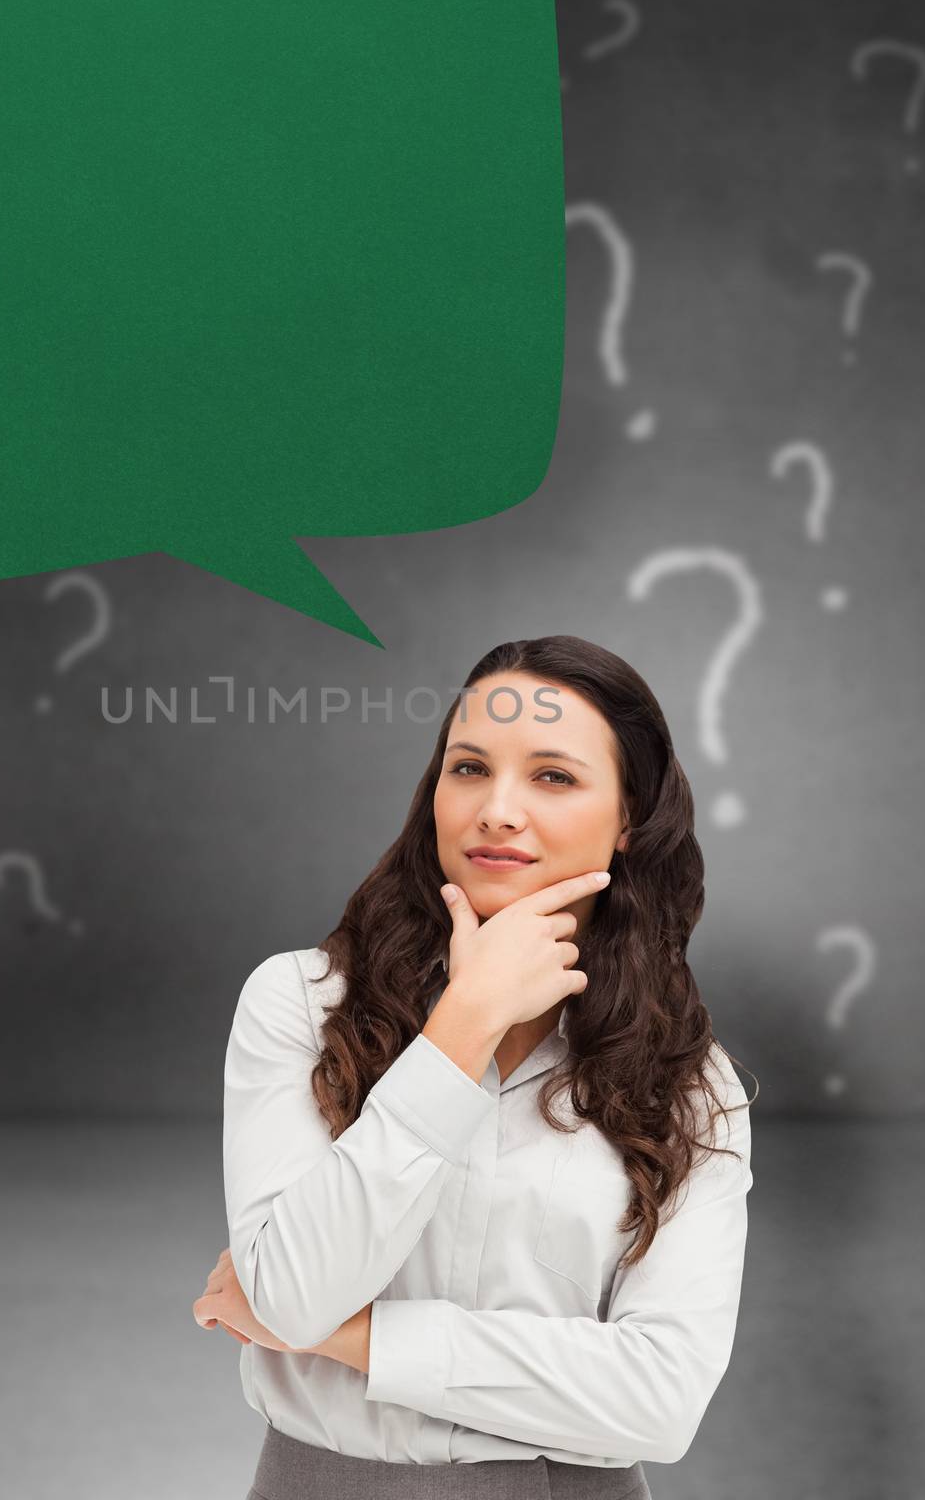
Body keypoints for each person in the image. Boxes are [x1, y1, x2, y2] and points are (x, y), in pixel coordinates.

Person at [193, 635, 758, 1499]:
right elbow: (294, 1294)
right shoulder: (300, 1007)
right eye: (468, 769)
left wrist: (351, 1338)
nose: (496, 809)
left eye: (553, 776)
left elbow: (660, 1399)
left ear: (629, 817)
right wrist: (463, 1025)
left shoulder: (688, 1080)